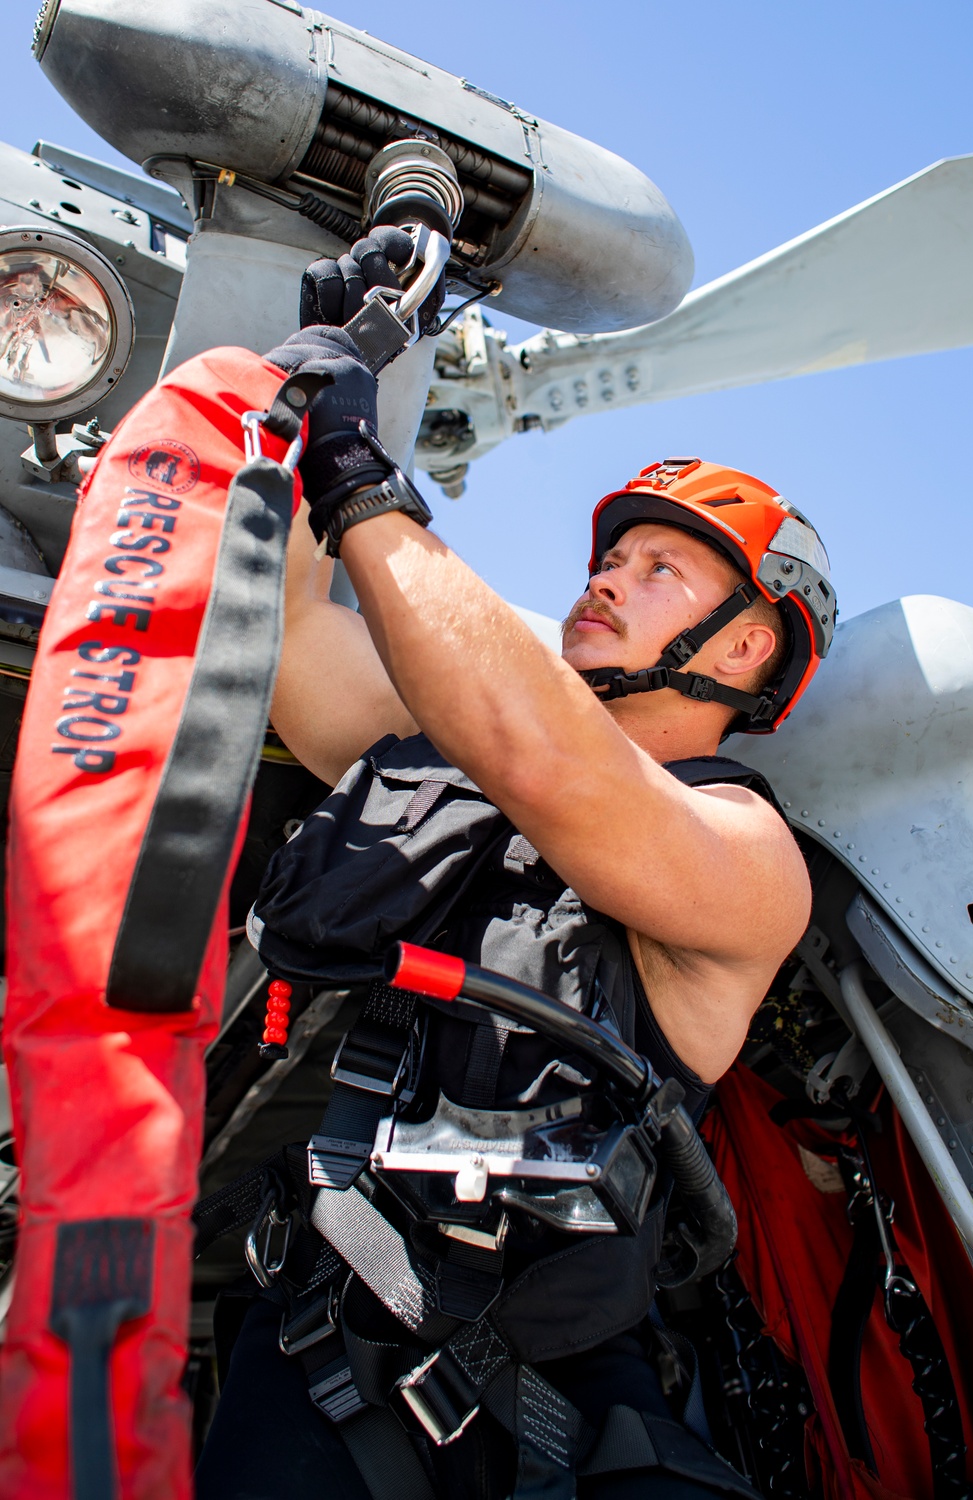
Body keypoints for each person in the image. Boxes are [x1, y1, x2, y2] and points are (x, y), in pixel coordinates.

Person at [194, 237, 835, 1500]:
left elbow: (547, 759)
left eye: (661, 572)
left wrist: (361, 473)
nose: (606, 578)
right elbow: (296, 641)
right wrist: (352, 365)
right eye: (610, 557)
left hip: (561, 1412)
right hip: (317, 1349)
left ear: (747, 644)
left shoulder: (749, 859)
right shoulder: (456, 761)